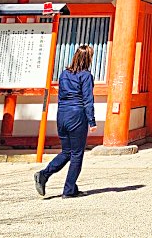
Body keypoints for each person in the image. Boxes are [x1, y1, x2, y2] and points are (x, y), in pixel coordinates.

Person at [34, 45, 96, 199]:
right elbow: (88, 99)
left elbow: (61, 95)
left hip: (62, 114)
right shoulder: (86, 75)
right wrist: (92, 121)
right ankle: (68, 190)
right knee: (76, 154)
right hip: (77, 115)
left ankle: (44, 174)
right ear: (88, 59)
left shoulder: (64, 74)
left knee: (67, 151)